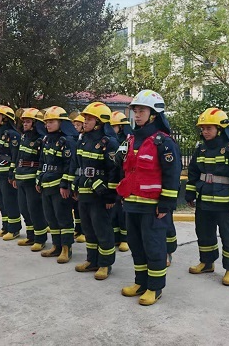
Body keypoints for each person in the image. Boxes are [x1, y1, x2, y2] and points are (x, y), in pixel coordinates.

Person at [116, 90, 181, 306]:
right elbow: (127, 171)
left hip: (153, 208)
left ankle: (155, 287)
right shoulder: (131, 139)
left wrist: (166, 203)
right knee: (136, 246)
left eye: (141, 110)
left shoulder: (164, 142)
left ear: (154, 114)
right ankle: (140, 283)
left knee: (154, 248)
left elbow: (172, 175)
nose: (137, 114)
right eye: (135, 110)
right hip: (132, 204)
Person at [185, 108, 229, 286]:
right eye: (203, 128)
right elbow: (193, 173)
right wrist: (190, 193)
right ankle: (207, 263)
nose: (205, 132)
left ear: (220, 129)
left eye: (209, 128)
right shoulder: (201, 149)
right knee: (204, 233)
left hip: (225, 205)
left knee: (228, 236)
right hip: (204, 201)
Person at [73, 102, 120, 280]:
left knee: (102, 229)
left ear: (99, 122)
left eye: (89, 119)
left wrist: (110, 196)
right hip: (84, 192)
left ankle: (105, 264)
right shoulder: (83, 140)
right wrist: (75, 185)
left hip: (100, 195)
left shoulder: (109, 142)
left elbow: (114, 171)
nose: (85, 121)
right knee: (88, 229)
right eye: (85, 118)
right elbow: (78, 166)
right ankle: (92, 260)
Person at [36, 106, 79, 263]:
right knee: (51, 218)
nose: (47, 125)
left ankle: (66, 248)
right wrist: (38, 179)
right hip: (46, 184)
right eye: (46, 122)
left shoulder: (67, 141)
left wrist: (65, 185)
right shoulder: (46, 139)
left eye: (51, 121)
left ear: (61, 123)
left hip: (59, 187)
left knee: (63, 218)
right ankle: (56, 246)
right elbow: (42, 161)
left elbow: (70, 165)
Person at [13, 108, 48, 251]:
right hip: (21, 177)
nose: (25, 124)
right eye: (24, 122)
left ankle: (40, 239)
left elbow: (43, 161)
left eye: (28, 122)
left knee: (35, 210)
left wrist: (38, 178)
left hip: (32, 179)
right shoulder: (23, 137)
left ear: (35, 123)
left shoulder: (41, 140)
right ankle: (30, 236)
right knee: (24, 209)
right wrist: (14, 174)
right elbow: (18, 157)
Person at [0, 104, 22, 241]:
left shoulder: (13, 135)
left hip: (7, 173)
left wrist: (12, 173)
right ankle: (6, 227)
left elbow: (15, 156)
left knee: (10, 201)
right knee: (0, 201)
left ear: (5, 119)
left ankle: (14, 229)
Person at [109, 111, 132, 252]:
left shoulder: (128, 141)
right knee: (114, 211)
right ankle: (116, 237)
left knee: (123, 212)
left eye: (114, 126)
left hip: (124, 179)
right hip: (113, 179)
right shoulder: (110, 140)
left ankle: (125, 239)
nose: (111, 129)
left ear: (121, 127)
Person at [69, 111, 86, 243]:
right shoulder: (75, 140)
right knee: (76, 207)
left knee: (82, 208)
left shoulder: (84, 140)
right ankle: (78, 228)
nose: (75, 127)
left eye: (78, 124)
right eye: (74, 124)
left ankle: (84, 231)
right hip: (76, 177)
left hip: (84, 178)